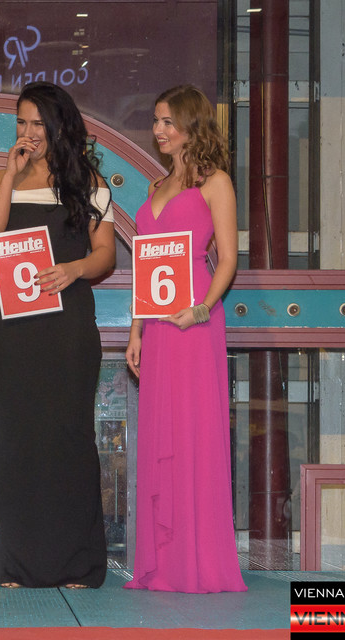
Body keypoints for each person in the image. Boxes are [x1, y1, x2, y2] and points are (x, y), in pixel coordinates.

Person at [0, 82, 115, 589]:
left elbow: (106, 255)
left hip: (68, 326)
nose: (29, 132)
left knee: (69, 437)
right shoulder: (3, 178)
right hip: (14, 330)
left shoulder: (88, 181)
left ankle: (78, 563)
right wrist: (10, 175)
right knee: (16, 440)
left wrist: (74, 269)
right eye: (21, 122)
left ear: (59, 126)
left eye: (38, 123)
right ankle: (15, 564)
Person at [124, 85, 246, 593]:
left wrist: (201, 310)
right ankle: (163, 562)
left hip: (194, 323)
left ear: (192, 126)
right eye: (156, 121)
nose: (158, 130)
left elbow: (229, 259)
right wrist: (136, 330)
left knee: (193, 433)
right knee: (162, 434)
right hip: (156, 325)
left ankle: (198, 559)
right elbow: (145, 264)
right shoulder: (156, 185)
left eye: (168, 122)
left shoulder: (215, 182)